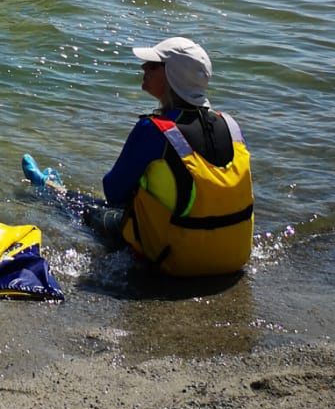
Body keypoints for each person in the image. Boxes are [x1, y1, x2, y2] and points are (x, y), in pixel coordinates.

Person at [86, 36, 253, 277]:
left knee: (85, 209)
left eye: (153, 65)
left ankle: (48, 191)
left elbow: (113, 192)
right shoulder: (231, 125)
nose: (143, 68)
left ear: (172, 76)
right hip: (235, 258)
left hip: (178, 260)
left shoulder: (153, 130)